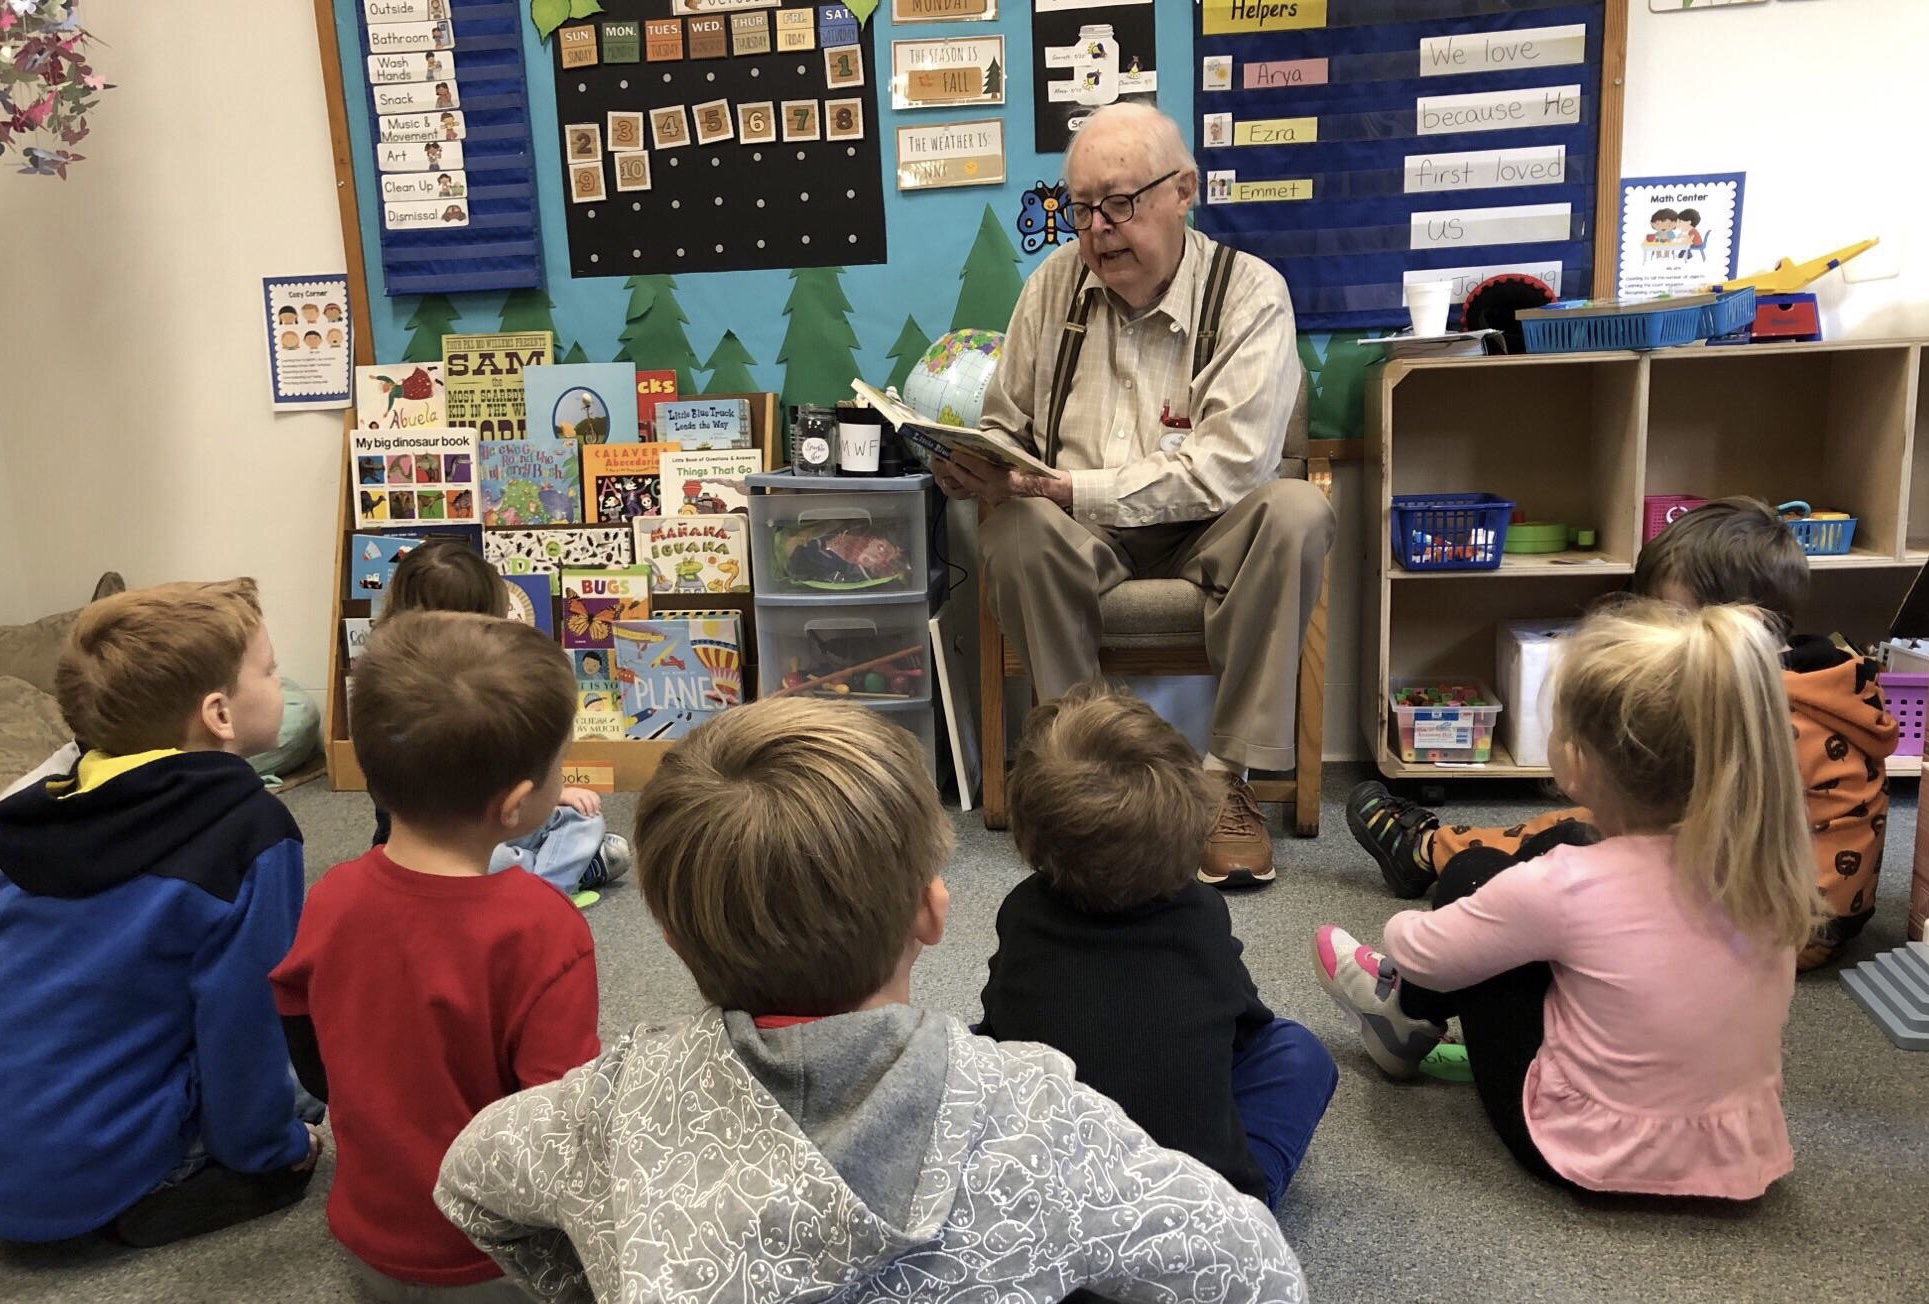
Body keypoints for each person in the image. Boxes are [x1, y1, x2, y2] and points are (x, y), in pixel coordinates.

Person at [434, 699, 1306, 1303]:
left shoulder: (612, 1103)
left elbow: (469, 1181)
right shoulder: (1037, 1113)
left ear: (664, 929)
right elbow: (1254, 1271)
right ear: (932, 911)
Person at [943, 102, 1336, 889]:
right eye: (1081, 208)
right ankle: (1086, 774)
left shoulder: (1249, 293)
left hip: (1211, 526)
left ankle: (1229, 785)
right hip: (1082, 534)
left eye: (1119, 204)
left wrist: (1062, 485)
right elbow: (1006, 421)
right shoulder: (1049, 289)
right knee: (1013, 529)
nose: (1097, 229)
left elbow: (1226, 470)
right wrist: (976, 464)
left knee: (1298, 510)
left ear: (1182, 190)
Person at [1316, 601, 1819, 1199]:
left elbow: (1424, 949)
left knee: (1471, 874)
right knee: (1555, 845)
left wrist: (1400, 932)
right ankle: (1413, 1008)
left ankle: (1401, 1015)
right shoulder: (1765, 869)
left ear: (1577, 760)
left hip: (1583, 1149)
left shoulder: (1568, 885)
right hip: (1735, 1151)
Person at [1346, 497, 1895, 968]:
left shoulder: (1752, 709)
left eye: (1667, 618)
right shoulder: (1823, 674)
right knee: (1587, 826)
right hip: (1811, 902)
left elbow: (1657, 820)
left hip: (1782, 925)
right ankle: (1437, 847)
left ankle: (1426, 851)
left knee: (1576, 841)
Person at [272, 611, 596, 1301]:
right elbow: (560, 1121)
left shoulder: (332, 895)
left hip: (366, 1237)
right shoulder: (545, 929)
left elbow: (301, 1029)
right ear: (514, 805)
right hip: (495, 1259)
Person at [0, 579, 321, 1246]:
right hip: (90, 1172)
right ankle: (175, 1186)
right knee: (311, 1088)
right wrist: (271, 1151)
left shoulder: (27, 814)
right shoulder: (250, 833)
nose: (280, 680)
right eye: (268, 669)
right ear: (219, 716)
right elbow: (243, 1024)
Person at [978, 681, 1337, 1209]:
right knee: (1297, 1051)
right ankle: (1251, 1208)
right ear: (1192, 828)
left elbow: (999, 1026)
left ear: (1028, 838)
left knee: (963, 1049)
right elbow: (1244, 1031)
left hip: (1051, 1208)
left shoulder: (1021, 911)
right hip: (1198, 1220)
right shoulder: (1202, 915)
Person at [371, 539, 631, 903]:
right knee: (494, 858)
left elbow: (516, 775)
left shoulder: (483, 687)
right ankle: (546, 888)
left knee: (585, 821)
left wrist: (556, 796)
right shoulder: (416, 701)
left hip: (507, 816)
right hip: (446, 839)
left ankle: (541, 872)